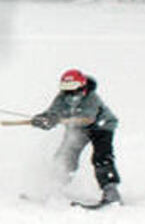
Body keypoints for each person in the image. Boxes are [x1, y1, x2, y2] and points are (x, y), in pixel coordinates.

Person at [31, 68, 121, 205]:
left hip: (101, 127)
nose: (69, 92)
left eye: (72, 88)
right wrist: (44, 120)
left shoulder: (91, 97)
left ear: (82, 86)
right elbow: (53, 112)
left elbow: (87, 117)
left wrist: (60, 120)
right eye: (65, 88)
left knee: (101, 156)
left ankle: (111, 191)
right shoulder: (62, 97)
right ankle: (55, 187)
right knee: (65, 155)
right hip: (78, 129)